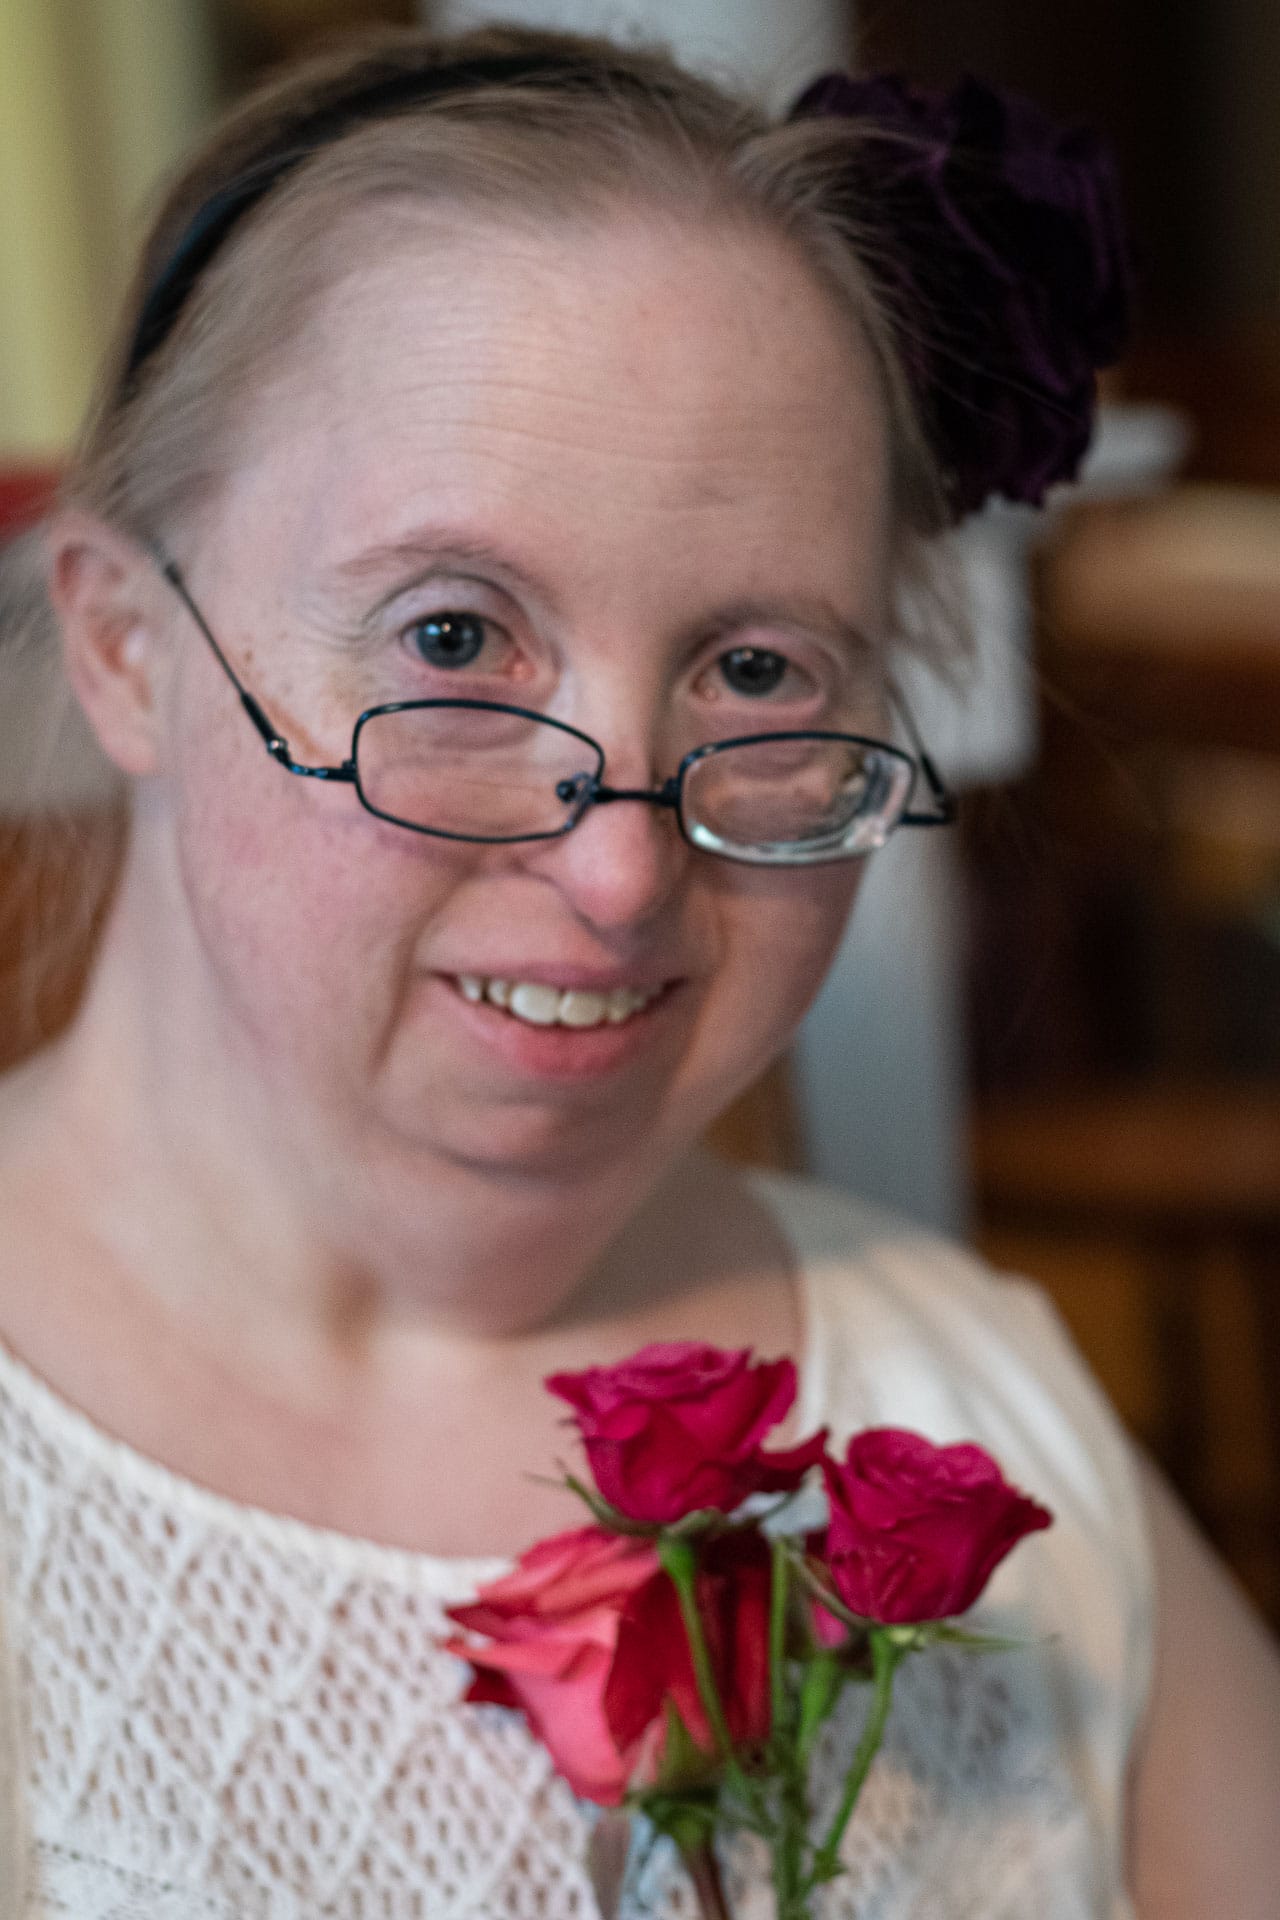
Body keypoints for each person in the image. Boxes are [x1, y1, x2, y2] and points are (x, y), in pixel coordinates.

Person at [0, 23, 1276, 1919]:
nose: (618, 869)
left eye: (759, 672)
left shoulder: (979, 1413)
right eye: (452, 637)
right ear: (125, 650)